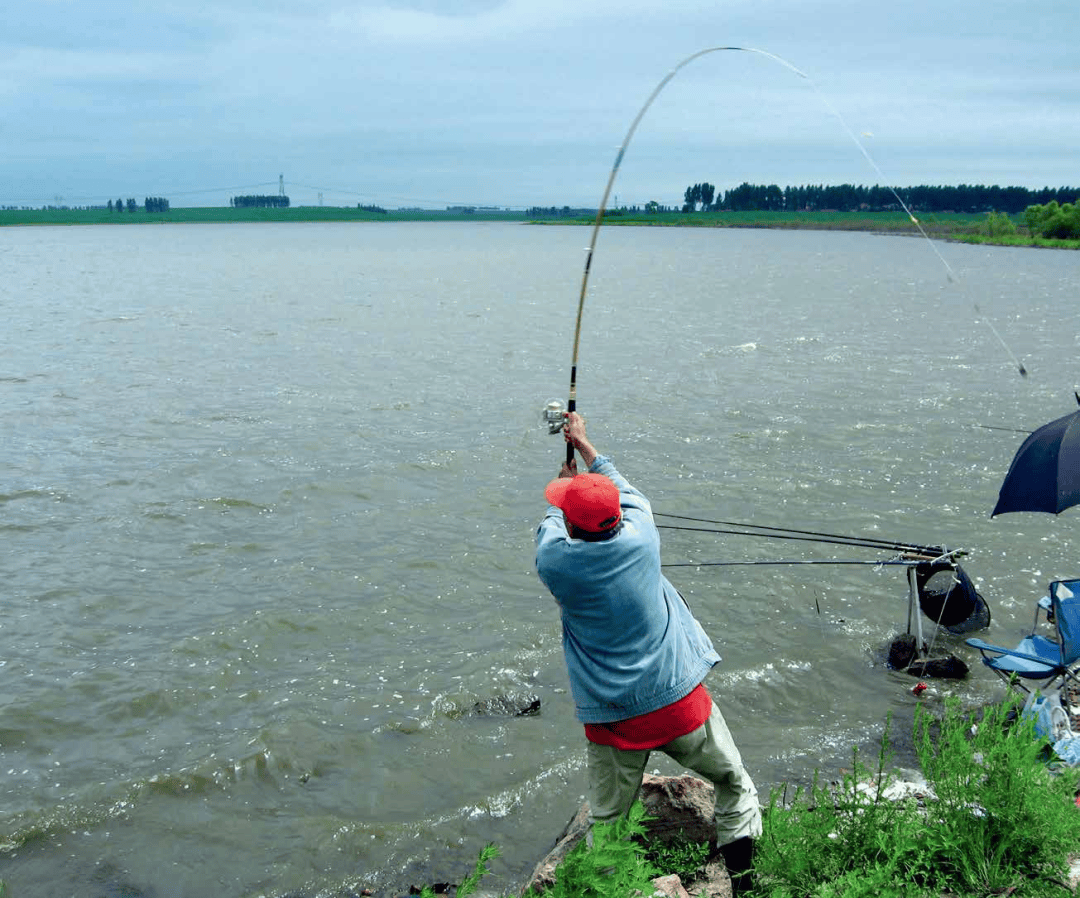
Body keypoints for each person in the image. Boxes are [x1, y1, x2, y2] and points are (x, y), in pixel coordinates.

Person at [535, 412, 761, 895]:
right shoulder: (643, 536)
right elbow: (620, 483)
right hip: (680, 704)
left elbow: (550, 530)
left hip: (616, 721)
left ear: (572, 525)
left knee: (608, 826)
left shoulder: (559, 565)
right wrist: (586, 443)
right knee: (735, 783)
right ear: (618, 514)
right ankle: (746, 886)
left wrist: (562, 492)